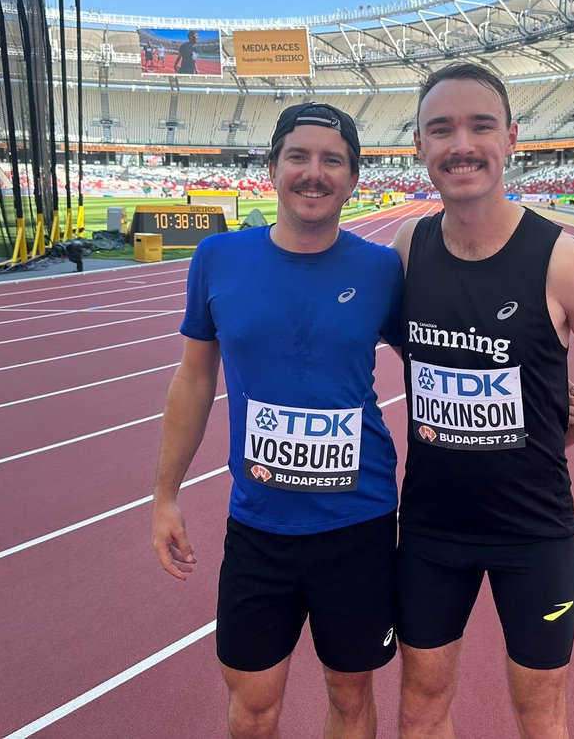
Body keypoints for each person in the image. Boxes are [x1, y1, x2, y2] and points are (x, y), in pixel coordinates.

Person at [392, 63, 574, 738]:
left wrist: (548, 434)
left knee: (540, 715)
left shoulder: (562, 260)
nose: (462, 144)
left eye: (480, 126)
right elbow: (396, 346)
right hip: (430, 529)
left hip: (532, 534)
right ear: (419, 146)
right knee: (420, 707)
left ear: (511, 139)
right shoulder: (409, 249)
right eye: (441, 129)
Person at [152, 102, 403, 738]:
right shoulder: (217, 258)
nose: (313, 173)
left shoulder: (380, 269)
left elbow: (436, 344)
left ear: (351, 179)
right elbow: (193, 377)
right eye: (298, 156)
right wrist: (164, 495)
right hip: (260, 527)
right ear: (272, 168)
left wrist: (539, 375)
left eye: (331, 161)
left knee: (350, 695)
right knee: (254, 700)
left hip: (359, 522)